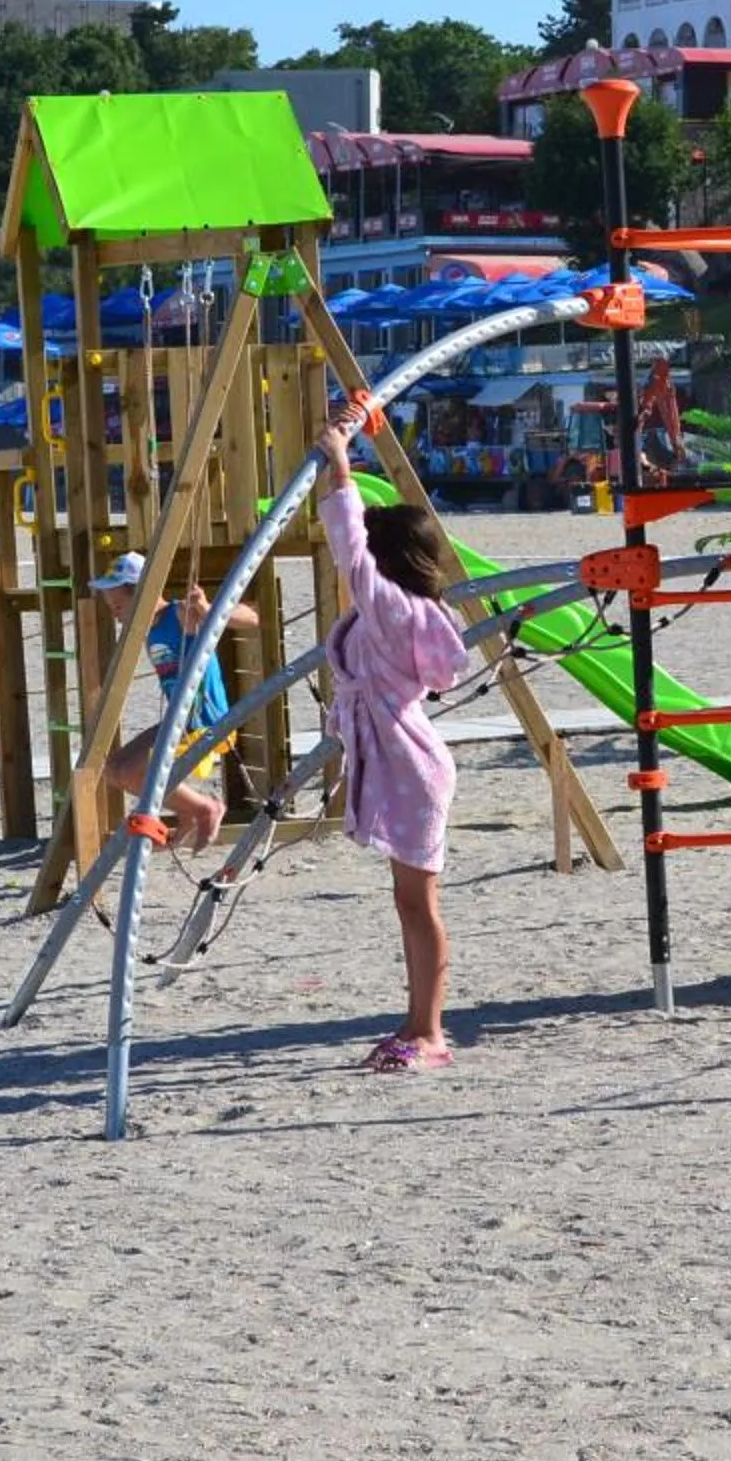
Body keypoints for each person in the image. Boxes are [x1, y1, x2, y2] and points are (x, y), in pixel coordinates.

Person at [317, 398, 473, 1073]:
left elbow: (351, 550)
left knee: (418, 902)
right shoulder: (398, 611)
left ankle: (430, 1031)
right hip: (400, 759)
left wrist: (340, 466)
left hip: (410, 764)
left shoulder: (392, 610)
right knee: (408, 900)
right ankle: (417, 1022)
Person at [91, 550, 258, 855]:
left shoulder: (180, 613)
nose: (115, 614)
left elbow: (251, 618)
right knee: (113, 769)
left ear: (143, 594)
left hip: (204, 723)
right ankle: (188, 812)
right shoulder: (148, 628)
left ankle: (205, 808)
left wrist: (207, 610)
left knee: (132, 771)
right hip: (177, 721)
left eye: (118, 606)